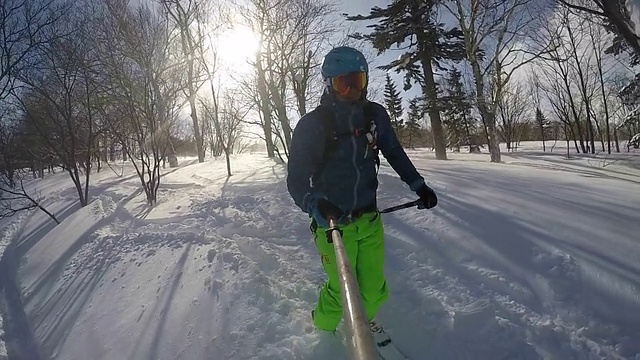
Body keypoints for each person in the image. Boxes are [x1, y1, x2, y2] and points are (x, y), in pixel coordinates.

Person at [286, 46, 438, 333]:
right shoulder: (313, 125)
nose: (352, 90)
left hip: (369, 221)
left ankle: (359, 327)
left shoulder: (374, 115)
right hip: (333, 227)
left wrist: (419, 185)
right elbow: (296, 180)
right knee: (341, 292)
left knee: (374, 290)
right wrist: (315, 203)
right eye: (344, 83)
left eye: (358, 81)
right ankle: (324, 332)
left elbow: (393, 151)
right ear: (330, 85)